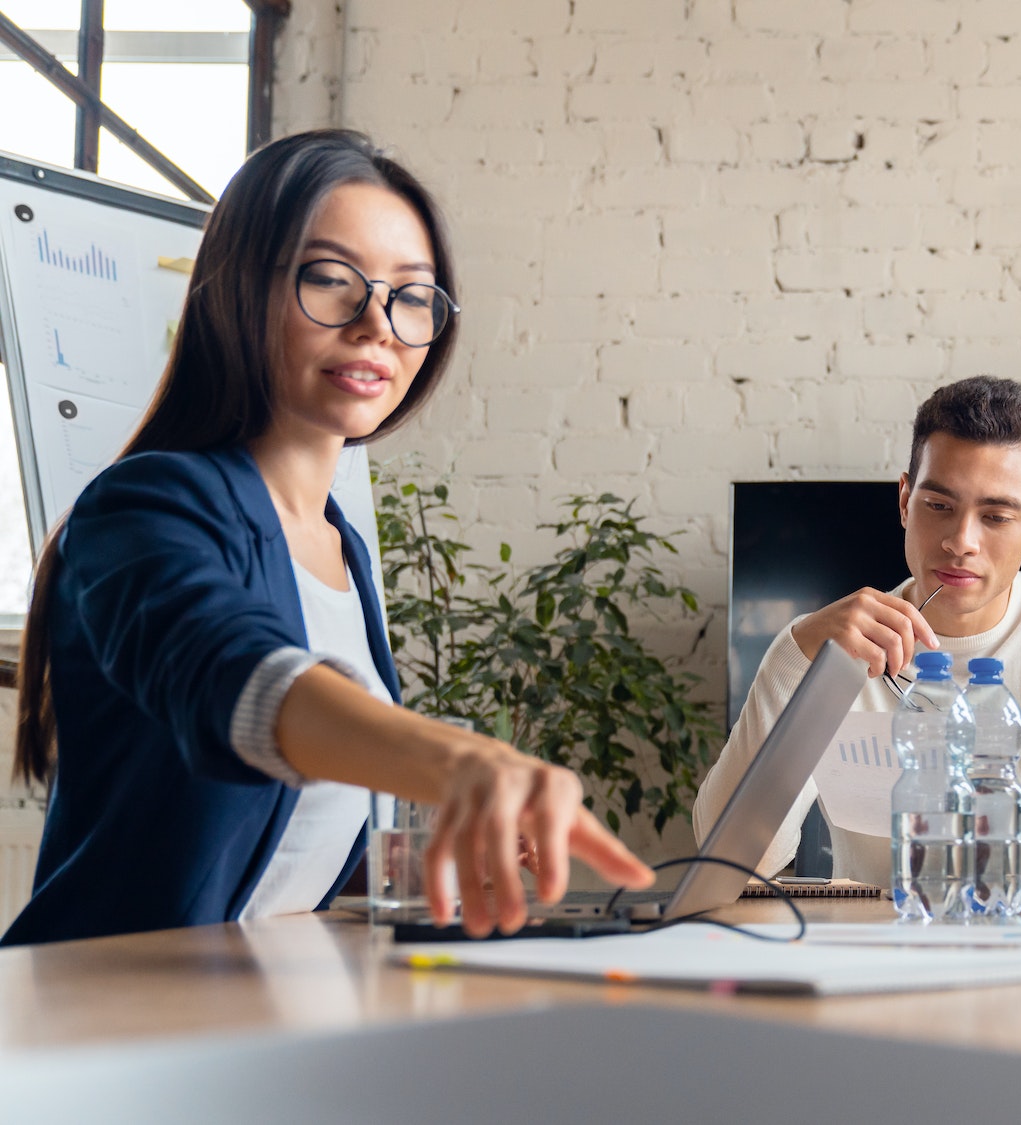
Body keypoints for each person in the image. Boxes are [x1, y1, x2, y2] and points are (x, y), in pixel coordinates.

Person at [3, 130, 653, 947]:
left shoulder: (343, 545)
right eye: (329, 280)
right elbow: (236, 681)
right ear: (239, 287)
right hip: (103, 1021)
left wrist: (427, 870)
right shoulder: (144, 510)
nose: (378, 323)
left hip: (250, 1009)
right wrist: (461, 764)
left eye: (413, 296)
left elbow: (282, 838)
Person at [695, 377, 1021, 889]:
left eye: (996, 516)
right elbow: (729, 861)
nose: (961, 542)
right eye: (939, 506)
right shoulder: (830, 646)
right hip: (870, 951)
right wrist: (793, 657)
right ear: (904, 500)